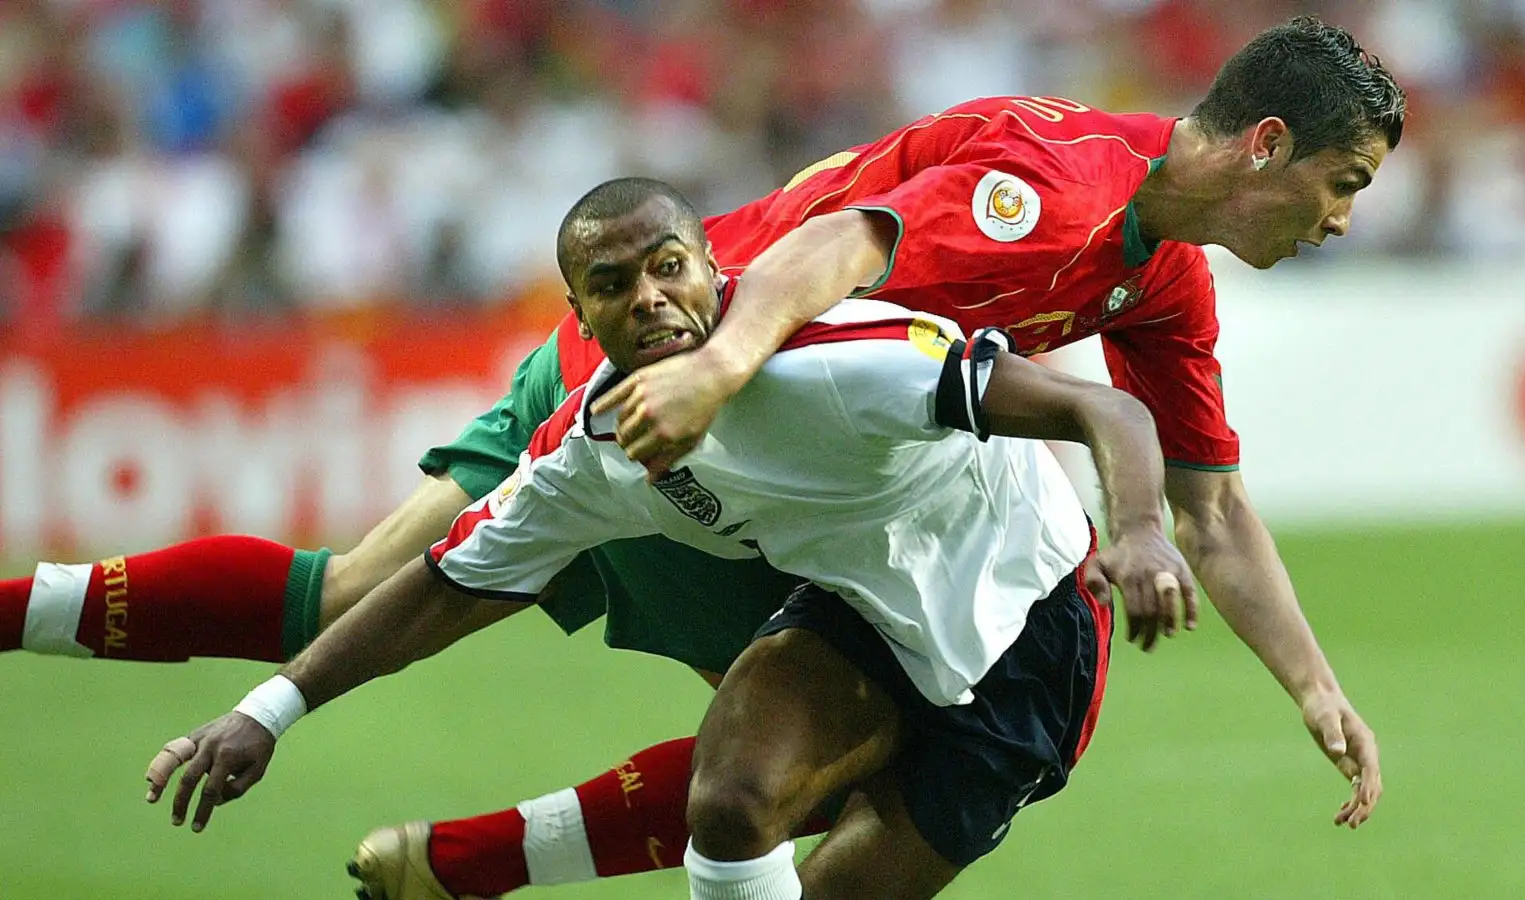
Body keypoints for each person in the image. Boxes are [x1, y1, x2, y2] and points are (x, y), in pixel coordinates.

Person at [32, 13, 1391, 889]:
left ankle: (462, 865)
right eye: (1344, 183)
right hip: (663, 374)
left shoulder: (1160, 278)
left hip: (754, 419)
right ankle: (471, 864)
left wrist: (1314, 688)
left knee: (783, 779)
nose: (1342, 219)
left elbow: (1206, 503)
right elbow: (837, 252)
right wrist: (712, 368)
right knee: (784, 770)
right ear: (1270, 143)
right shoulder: (1058, 190)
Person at [147, 176, 1197, 900]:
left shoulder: (836, 359)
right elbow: (443, 586)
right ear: (578, 314)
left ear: (709, 267)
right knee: (733, 802)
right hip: (860, 617)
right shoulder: (596, 446)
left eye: (668, 267)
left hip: (1030, 625)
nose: (648, 297)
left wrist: (1141, 532)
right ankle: (460, 866)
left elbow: (1111, 413)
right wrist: (265, 714)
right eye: (613, 285)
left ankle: (465, 864)